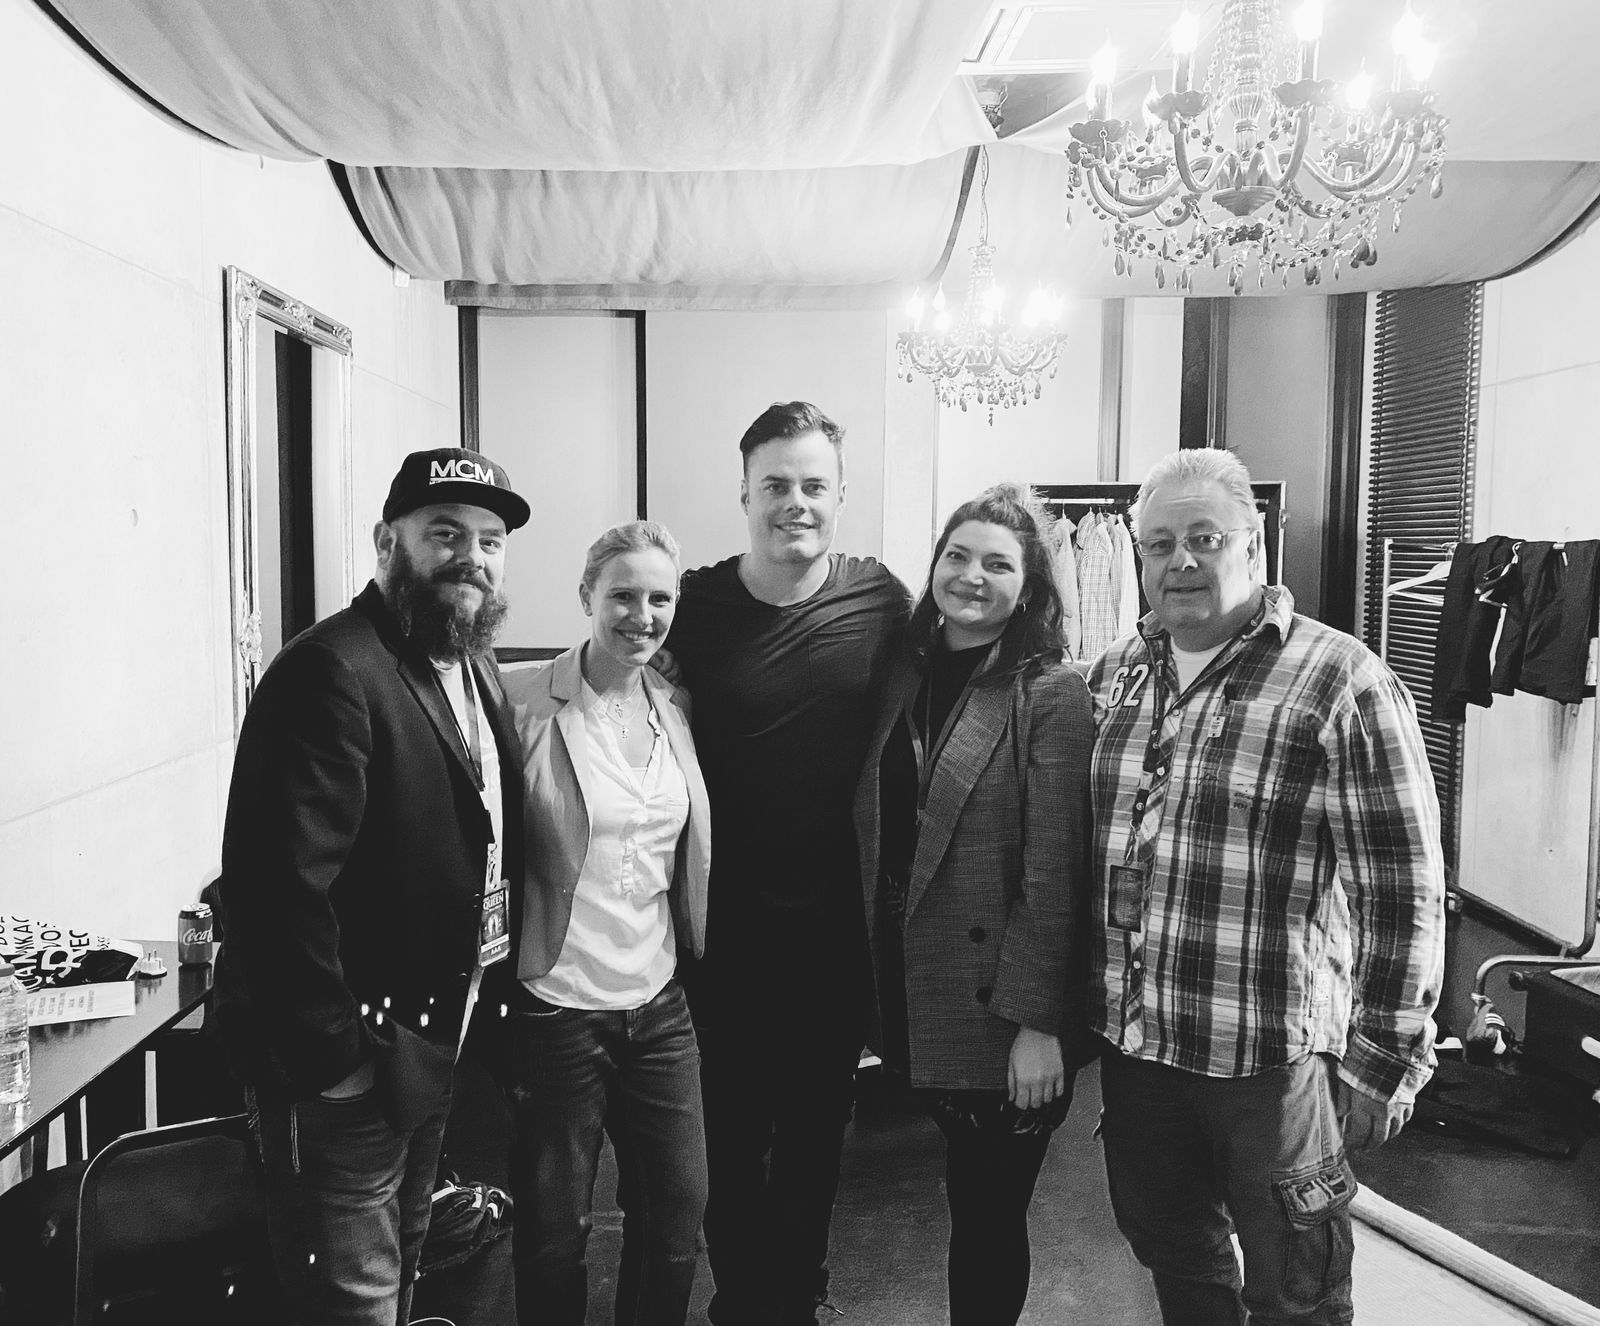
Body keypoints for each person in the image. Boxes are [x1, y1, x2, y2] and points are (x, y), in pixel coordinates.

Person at [1087, 448, 1447, 1325]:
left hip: (1270, 1062)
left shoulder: (1339, 679)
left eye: (1204, 538)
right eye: (1160, 543)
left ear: (1253, 544)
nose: (1181, 561)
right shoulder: (1114, 675)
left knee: (1298, 1286)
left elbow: (1403, 887)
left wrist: (1385, 1061)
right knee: (1176, 1255)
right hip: (1140, 1049)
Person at [211, 446, 529, 1325]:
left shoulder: (467, 664)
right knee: (352, 1300)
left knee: (405, 1268)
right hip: (352, 1069)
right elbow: (277, 895)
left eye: (490, 540)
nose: (471, 557)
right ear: (388, 542)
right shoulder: (333, 670)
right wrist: (338, 1067)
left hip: (427, 1049)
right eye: (445, 534)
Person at [665, 400, 911, 1325]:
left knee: (815, 1136)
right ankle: (739, 1301)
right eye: (775, 485)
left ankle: (799, 1299)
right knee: (728, 1139)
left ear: (841, 495)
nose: (794, 502)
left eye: (813, 485)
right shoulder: (691, 604)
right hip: (717, 931)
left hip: (834, 932)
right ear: (744, 494)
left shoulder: (880, 600)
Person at [853, 483, 1094, 1326]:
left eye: (997, 564)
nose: (971, 576)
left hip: (1002, 1010)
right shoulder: (901, 672)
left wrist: (1039, 1024)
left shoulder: (1050, 693)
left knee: (988, 1215)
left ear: (1028, 588)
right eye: (957, 555)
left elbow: (1055, 875)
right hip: (912, 984)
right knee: (966, 1194)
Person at [499, 520, 711, 1326]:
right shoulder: (520, 699)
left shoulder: (676, 707)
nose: (641, 615)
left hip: (658, 1004)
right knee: (556, 1230)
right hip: (557, 1005)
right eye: (623, 595)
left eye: (660, 598)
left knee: (677, 1215)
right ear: (587, 595)